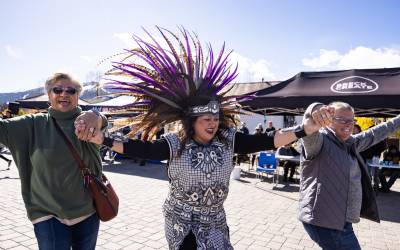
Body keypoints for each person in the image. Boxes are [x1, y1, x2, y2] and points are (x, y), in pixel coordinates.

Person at [76, 27, 313, 250]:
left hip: (215, 221)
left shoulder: (229, 139)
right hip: (182, 222)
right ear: (192, 122)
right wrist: (103, 140)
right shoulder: (175, 143)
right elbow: (141, 149)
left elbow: (270, 140)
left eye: (215, 117)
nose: (213, 123)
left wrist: (304, 129)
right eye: (206, 119)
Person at [0, 72, 106, 249]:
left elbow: (102, 123)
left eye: (71, 91)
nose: (64, 94)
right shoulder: (32, 124)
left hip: (88, 212)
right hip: (48, 214)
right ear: (49, 95)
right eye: (57, 90)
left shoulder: (86, 122)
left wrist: (97, 116)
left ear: (77, 96)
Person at [299, 101, 400, 250]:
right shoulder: (318, 141)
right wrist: (314, 108)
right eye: (342, 120)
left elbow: (375, 133)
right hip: (326, 222)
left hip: (340, 221)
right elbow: (306, 128)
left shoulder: (350, 143)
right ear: (328, 120)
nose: (348, 124)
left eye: (351, 120)